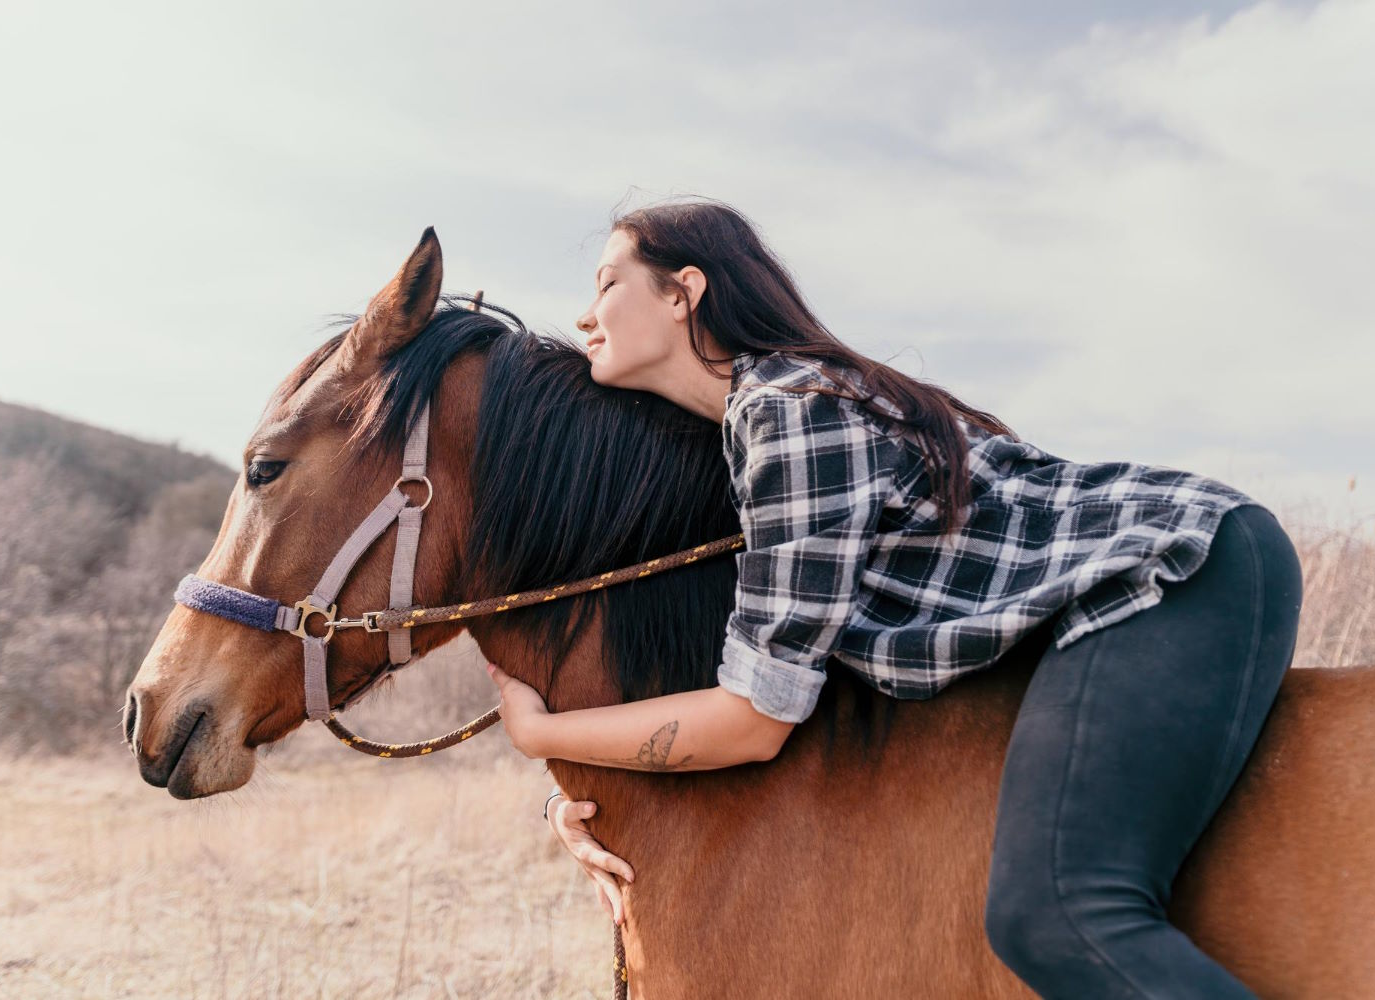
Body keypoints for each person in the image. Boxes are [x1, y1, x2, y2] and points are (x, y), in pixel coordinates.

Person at [484, 197, 1302, 998]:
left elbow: (755, 717)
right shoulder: (754, 430)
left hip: (1171, 568)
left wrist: (541, 733)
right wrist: (579, 791)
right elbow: (758, 660)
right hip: (1128, 590)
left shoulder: (792, 413)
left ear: (682, 291)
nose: (586, 315)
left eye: (606, 284)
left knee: (1056, 916)